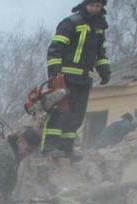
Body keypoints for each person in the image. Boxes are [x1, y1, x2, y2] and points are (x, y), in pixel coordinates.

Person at [43, 0, 111, 156]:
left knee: (77, 115)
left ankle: (66, 148)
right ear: (85, 5)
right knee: (60, 112)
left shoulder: (100, 28)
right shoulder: (71, 23)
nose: (94, 8)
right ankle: (49, 146)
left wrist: (104, 70)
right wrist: (54, 74)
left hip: (85, 79)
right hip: (65, 77)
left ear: (101, 7)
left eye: (97, 6)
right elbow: (55, 49)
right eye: (92, 5)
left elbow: (101, 53)